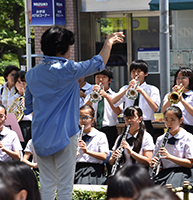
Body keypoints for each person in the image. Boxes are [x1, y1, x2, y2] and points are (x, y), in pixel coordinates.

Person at [24, 25, 124, 200]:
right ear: (61, 49)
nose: (71, 51)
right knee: (65, 187)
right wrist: (108, 42)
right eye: (69, 47)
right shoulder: (68, 69)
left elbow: (28, 106)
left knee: (46, 186)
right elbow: (98, 62)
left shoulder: (31, 74)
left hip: (40, 135)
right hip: (65, 134)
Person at [112, 60, 161, 141]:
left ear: (145, 73)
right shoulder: (125, 88)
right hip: (129, 123)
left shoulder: (152, 89)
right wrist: (127, 89)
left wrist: (142, 91)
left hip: (146, 123)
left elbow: (155, 108)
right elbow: (114, 102)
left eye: (139, 71)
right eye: (133, 71)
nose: (136, 74)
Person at [151, 106, 193, 187]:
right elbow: (156, 161)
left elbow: (190, 163)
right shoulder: (160, 139)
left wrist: (169, 157)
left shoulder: (188, 137)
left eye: (173, 120)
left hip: (182, 173)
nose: (169, 123)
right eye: (166, 119)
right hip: (165, 173)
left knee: (171, 188)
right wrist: (155, 163)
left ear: (180, 121)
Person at [162, 67, 193, 154]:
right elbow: (163, 111)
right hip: (174, 130)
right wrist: (172, 96)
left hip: (190, 129)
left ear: (190, 79)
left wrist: (182, 100)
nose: (180, 81)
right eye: (178, 78)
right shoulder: (169, 95)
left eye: (184, 78)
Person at [109, 106, 154, 174]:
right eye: (126, 118)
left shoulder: (146, 137)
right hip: (123, 172)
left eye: (132, 117)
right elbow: (111, 162)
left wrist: (131, 152)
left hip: (139, 173)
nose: (129, 120)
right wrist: (114, 158)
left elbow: (148, 161)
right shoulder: (120, 137)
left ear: (140, 119)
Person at [84, 67, 121, 149]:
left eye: (104, 77)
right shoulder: (90, 95)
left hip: (110, 130)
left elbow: (118, 112)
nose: (100, 80)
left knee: (110, 154)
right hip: (94, 129)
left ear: (110, 80)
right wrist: (92, 96)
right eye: (98, 77)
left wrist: (106, 96)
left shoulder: (114, 95)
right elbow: (84, 109)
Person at [75, 105, 109, 184]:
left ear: (93, 119)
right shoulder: (74, 136)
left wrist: (87, 151)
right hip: (77, 169)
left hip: (95, 171)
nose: (83, 120)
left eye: (86, 117)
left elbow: (104, 156)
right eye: (80, 117)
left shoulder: (100, 135)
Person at [7, 70, 32, 149]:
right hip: (17, 125)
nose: (21, 85)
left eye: (24, 82)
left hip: (30, 125)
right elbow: (10, 113)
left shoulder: (34, 97)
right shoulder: (12, 99)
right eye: (18, 82)